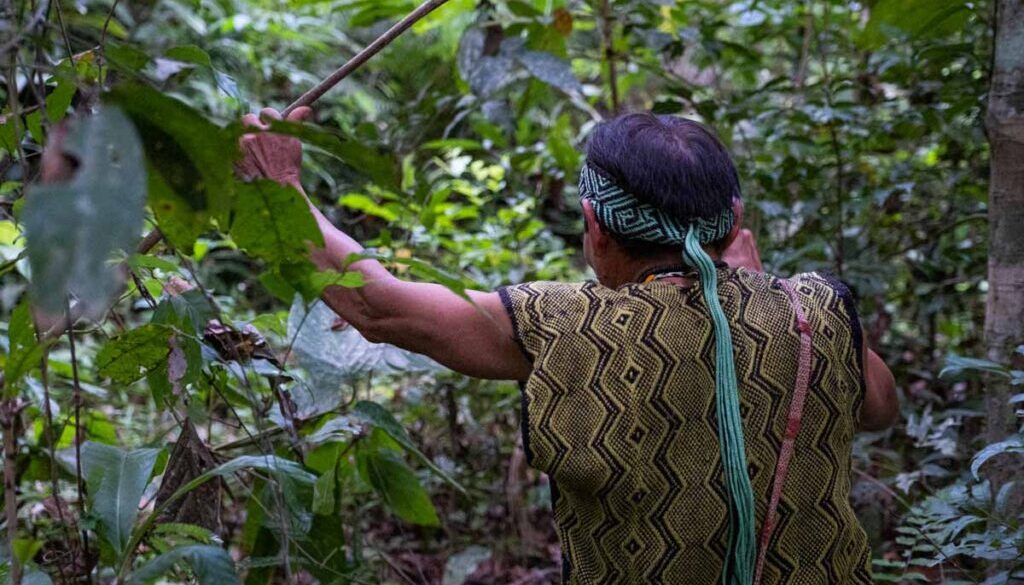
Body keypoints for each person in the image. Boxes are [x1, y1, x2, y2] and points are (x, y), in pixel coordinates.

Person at [238, 108, 898, 585]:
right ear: (731, 223)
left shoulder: (566, 322)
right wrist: (755, 286)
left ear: (595, 227)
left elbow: (378, 306)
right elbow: (878, 405)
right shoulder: (812, 308)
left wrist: (280, 186)